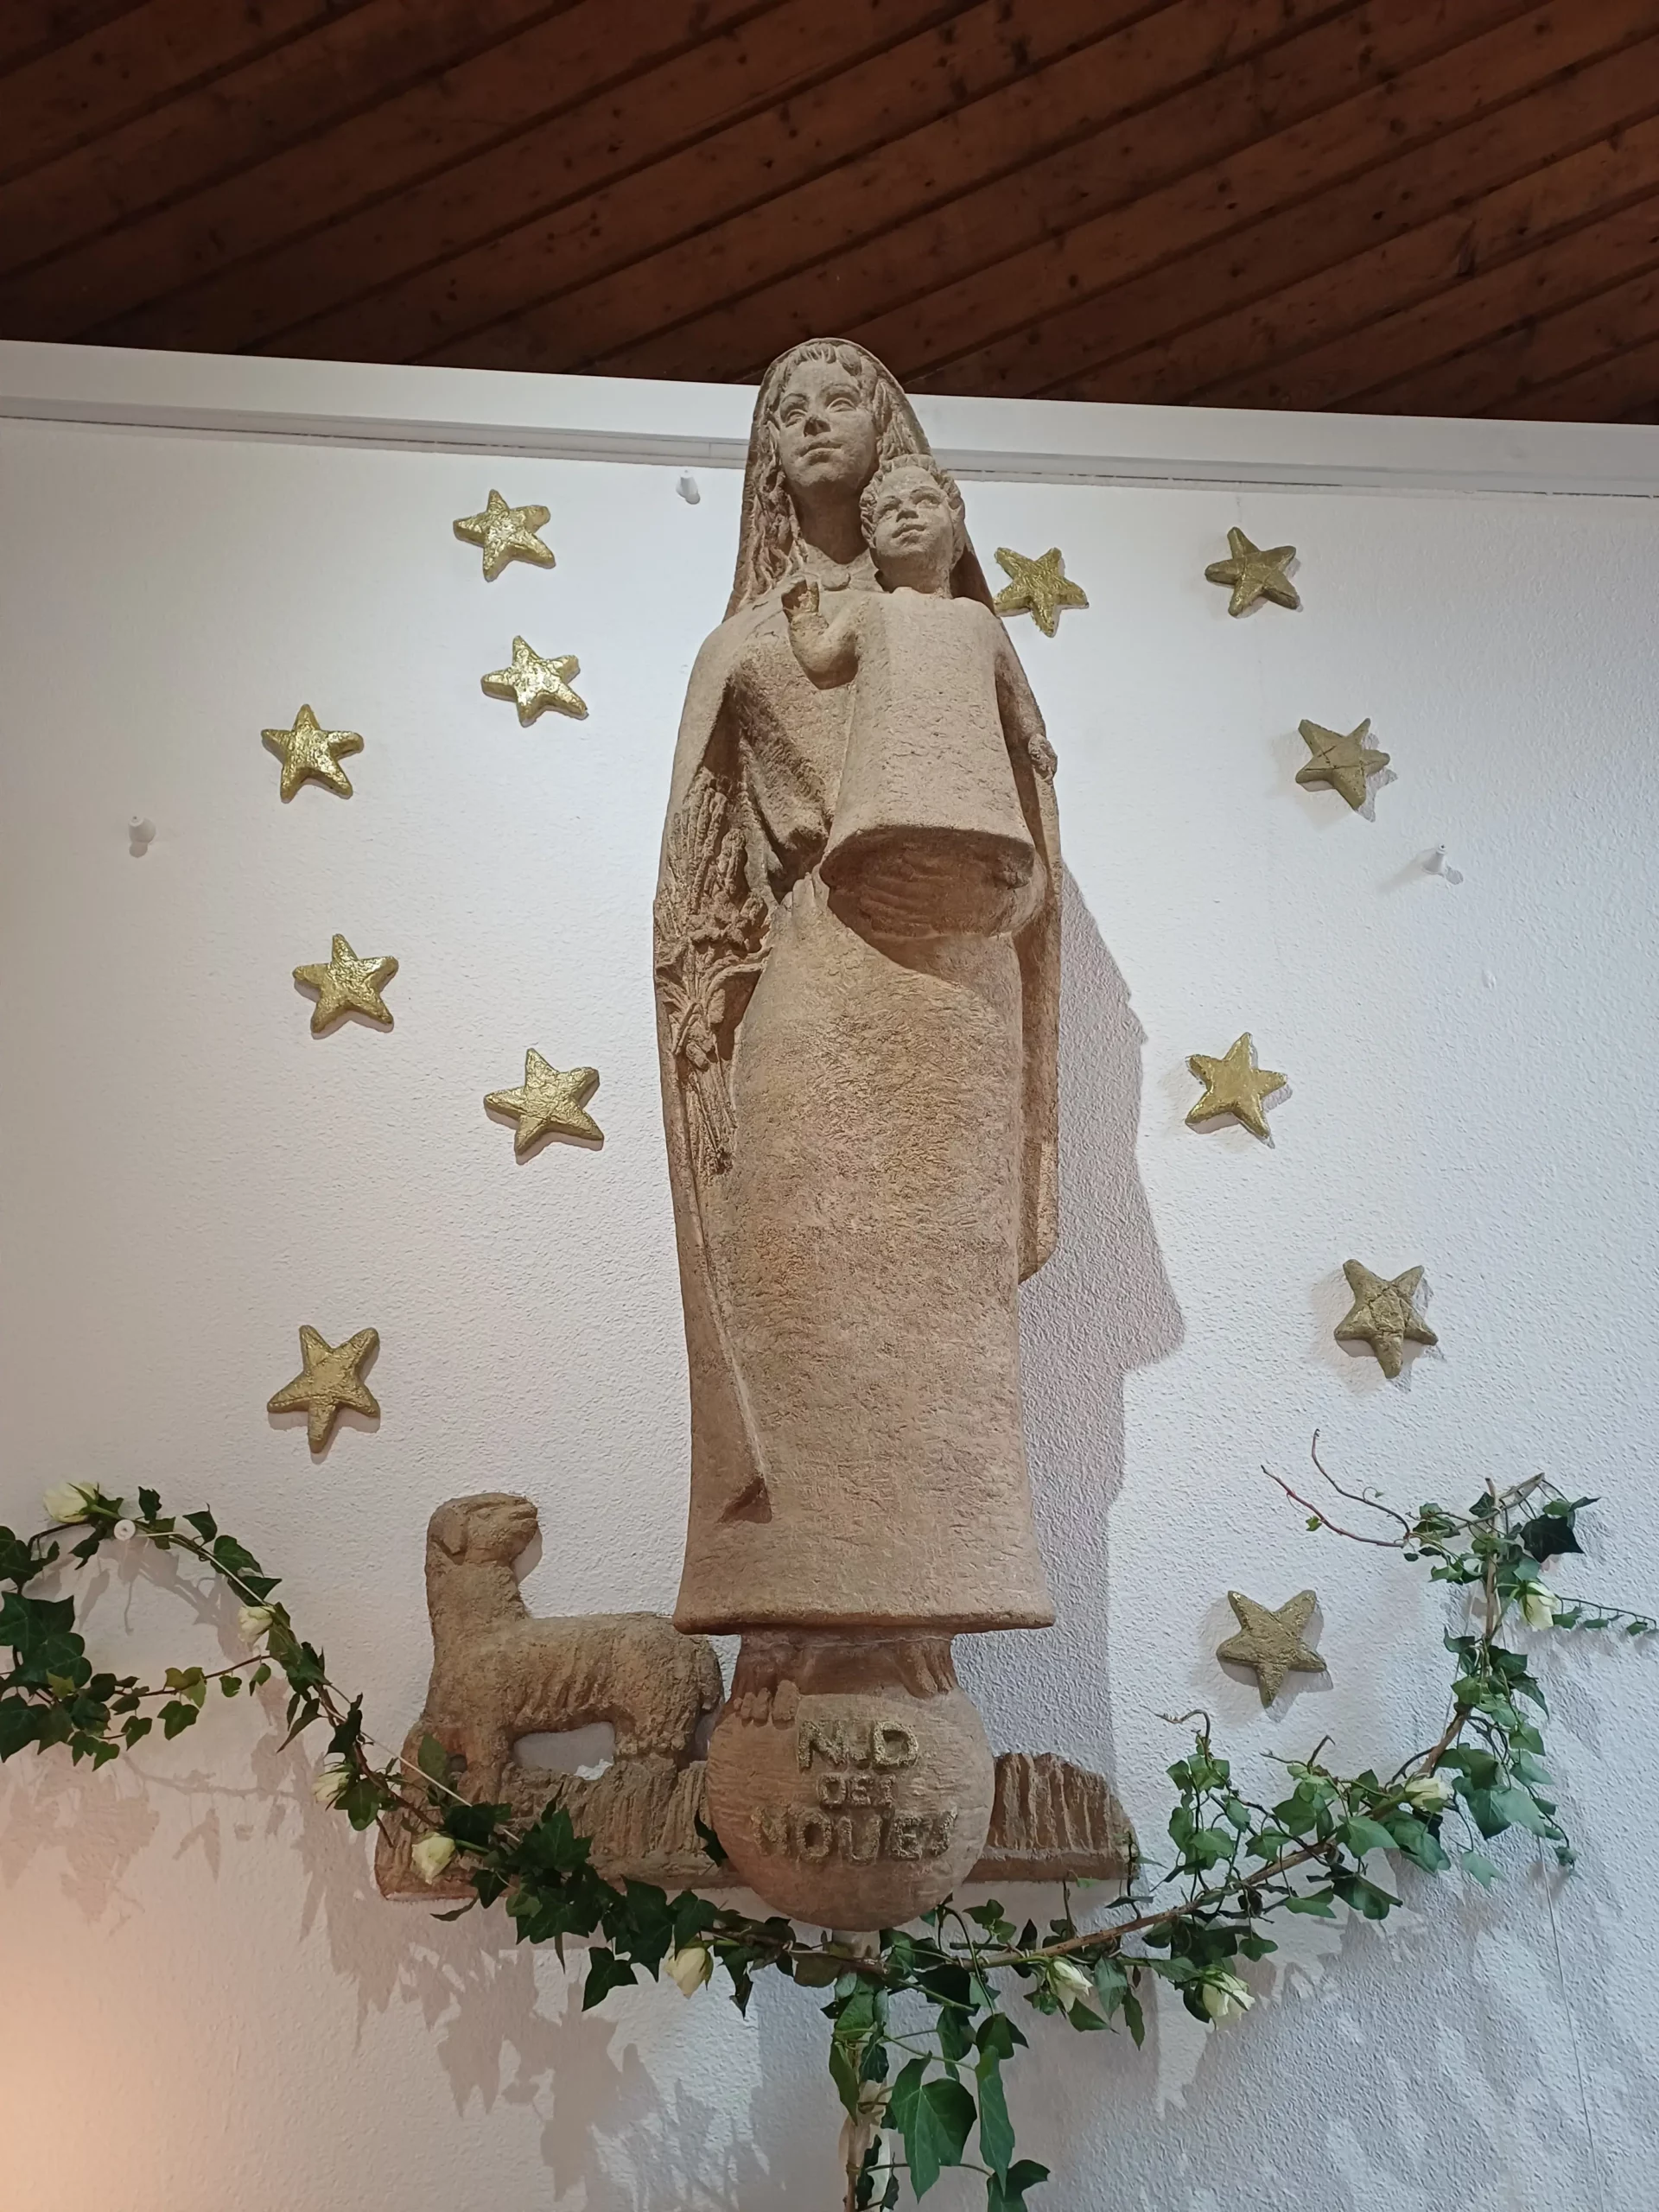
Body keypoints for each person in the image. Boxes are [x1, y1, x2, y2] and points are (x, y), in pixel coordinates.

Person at [654, 340, 1060, 1637]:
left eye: (843, 401)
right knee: (798, 1277)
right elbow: (691, 868)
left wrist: (990, 910)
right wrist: (699, 1006)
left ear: (894, 434)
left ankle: (940, 1602)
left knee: (940, 1301)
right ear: (766, 457)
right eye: (789, 410)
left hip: (949, 988)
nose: (815, 422)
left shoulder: (966, 631)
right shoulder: (741, 646)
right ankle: (791, 1602)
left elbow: (1035, 838)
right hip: (810, 982)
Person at [779, 452, 1058, 941]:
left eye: (924, 501)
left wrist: (1033, 736)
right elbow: (822, 662)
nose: (907, 513)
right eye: (891, 510)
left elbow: (1015, 692)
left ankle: (977, 884)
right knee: (889, 826)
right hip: (893, 763)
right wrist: (804, 618)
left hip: (974, 767)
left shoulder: (978, 620)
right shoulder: (873, 612)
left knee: (982, 828)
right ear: (873, 546)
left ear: (956, 533)